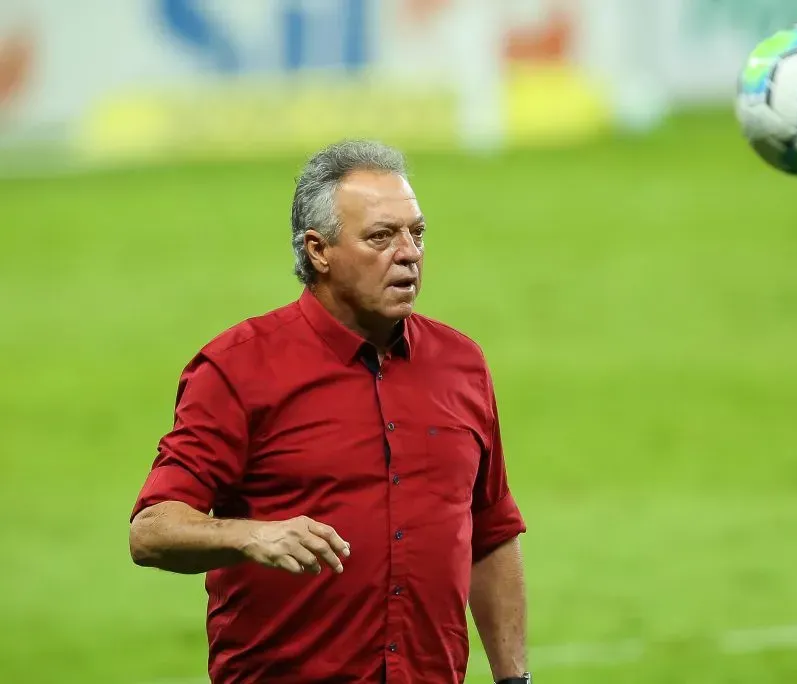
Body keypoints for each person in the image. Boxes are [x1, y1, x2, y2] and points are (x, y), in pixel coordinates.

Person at [128, 140, 530, 684]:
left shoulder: (461, 364)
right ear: (318, 251)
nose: (409, 253)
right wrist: (251, 536)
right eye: (381, 237)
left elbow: (491, 529)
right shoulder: (237, 369)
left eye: (417, 232)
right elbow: (151, 532)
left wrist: (513, 678)